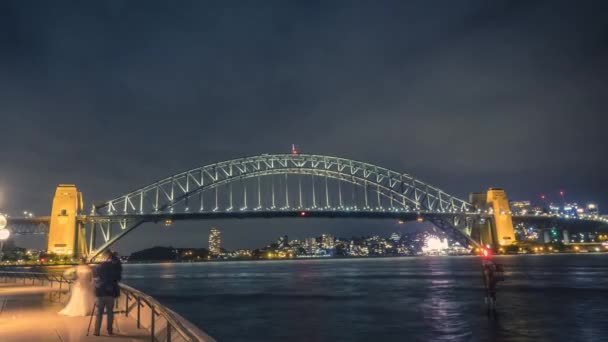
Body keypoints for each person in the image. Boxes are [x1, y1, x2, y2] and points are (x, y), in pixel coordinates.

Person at [93, 249, 123, 336]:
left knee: (99, 313)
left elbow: (95, 279)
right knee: (110, 312)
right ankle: (109, 330)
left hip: (100, 293)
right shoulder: (115, 268)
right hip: (111, 293)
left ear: (104, 257)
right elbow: (118, 278)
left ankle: (96, 331)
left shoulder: (98, 267)